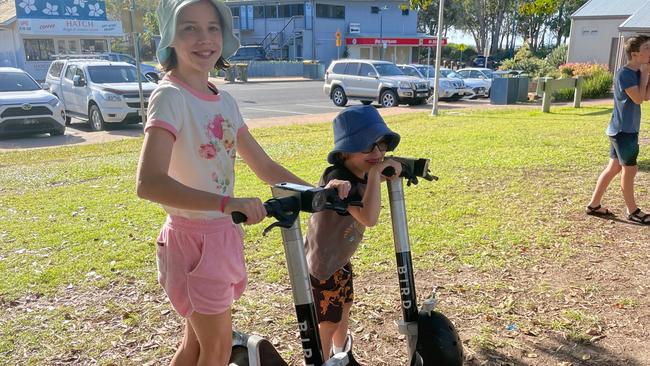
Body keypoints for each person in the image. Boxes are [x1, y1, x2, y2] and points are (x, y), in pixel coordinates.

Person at [135, 1, 348, 364]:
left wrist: (317, 192)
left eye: (212, 28)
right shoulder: (170, 97)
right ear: (170, 36)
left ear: (225, 35)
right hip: (193, 240)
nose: (204, 39)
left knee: (197, 345)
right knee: (216, 349)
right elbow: (149, 183)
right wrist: (226, 204)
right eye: (190, 28)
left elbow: (264, 166)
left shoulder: (225, 103)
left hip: (220, 236)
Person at [304, 105, 403, 362]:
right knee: (327, 323)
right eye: (368, 147)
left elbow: (370, 185)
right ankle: (322, 360)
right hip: (322, 267)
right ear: (344, 152)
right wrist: (374, 175)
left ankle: (342, 355)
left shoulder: (360, 172)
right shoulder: (339, 179)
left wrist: (380, 174)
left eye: (382, 146)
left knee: (344, 309)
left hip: (340, 261)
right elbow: (369, 218)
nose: (377, 153)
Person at [586, 34, 650, 225]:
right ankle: (633, 211)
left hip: (622, 129)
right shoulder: (625, 74)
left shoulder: (638, 73)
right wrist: (646, 75)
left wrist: (648, 75)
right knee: (630, 170)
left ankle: (594, 205)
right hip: (623, 132)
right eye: (647, 47)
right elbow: (638, 99)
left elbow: (646, 96)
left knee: (614, 167)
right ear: (635, 53)